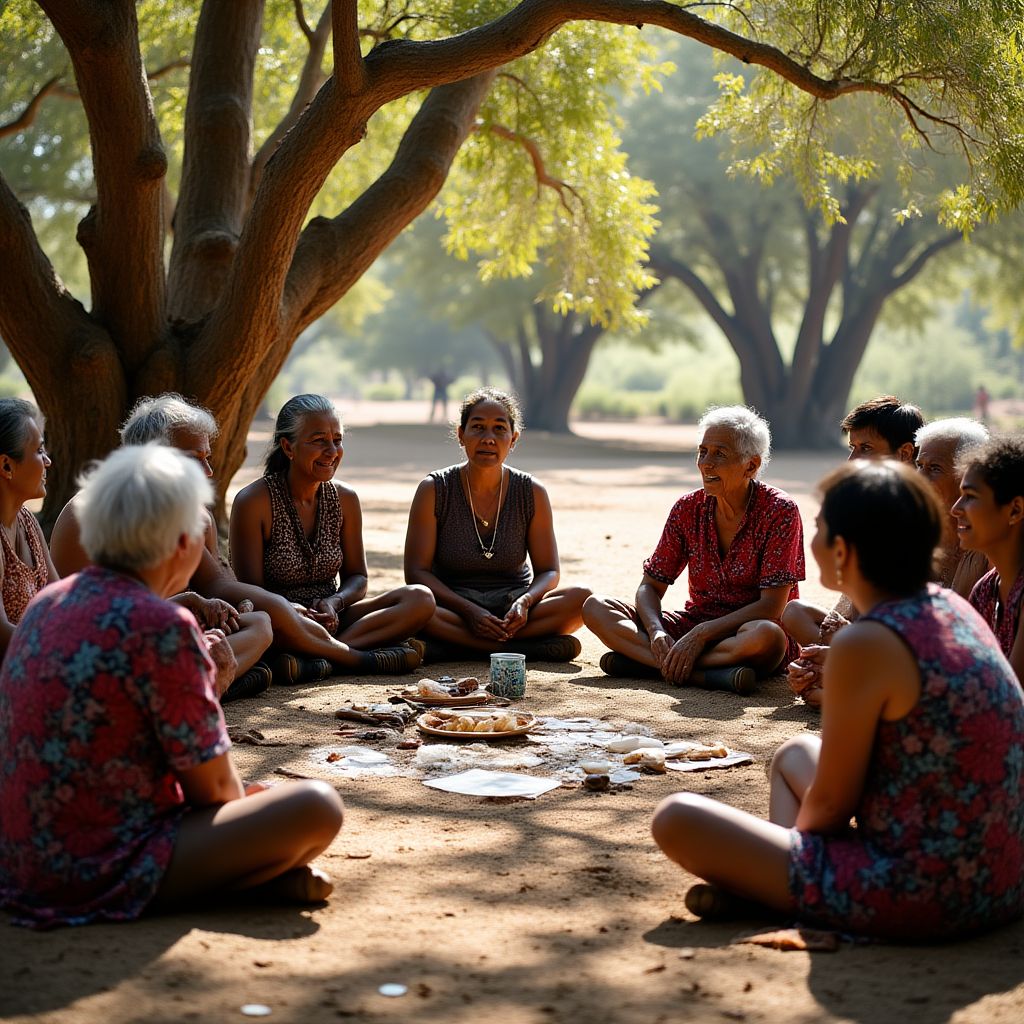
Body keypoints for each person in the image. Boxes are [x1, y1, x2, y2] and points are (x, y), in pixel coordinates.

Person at [652, 461, 1024, 940]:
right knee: (792, 755)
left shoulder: (865, 641)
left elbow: (830, 804)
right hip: (1001, 878)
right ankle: (777, 887)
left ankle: (785, 896)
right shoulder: (954, 606)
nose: (814, 540)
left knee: (677, 818)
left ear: (843, 551)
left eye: (821, 528)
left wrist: (791, 857)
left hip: (931, 895)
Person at [0, 444, 344, 928]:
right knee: (314, 806)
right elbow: (216, 794)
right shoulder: (161, 627)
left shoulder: (47, 603)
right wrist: (213, 684)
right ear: (183, 543)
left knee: (260, 794)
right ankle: (241, 880)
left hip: (20, 858)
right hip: (91, 868)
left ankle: (252, 875)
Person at [49, 395, 271, 701]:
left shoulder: (154, 509)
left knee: (258, 625)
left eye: (208, 458)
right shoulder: (103, 512)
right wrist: (187, 603)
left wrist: (199, 606)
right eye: (195, 458)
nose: (207, 471)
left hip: (128, 637)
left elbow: (138, 605)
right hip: (103, 659)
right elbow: (115, 622)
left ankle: (217, 677)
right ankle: (212, 683)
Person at [584, 405, 803, 693]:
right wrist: (657, 631)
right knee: (596, 607)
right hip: (694, 626)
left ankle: (645, 664)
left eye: (720, 454)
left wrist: (702, 635)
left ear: (751, 465)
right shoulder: (688, 508)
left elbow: (772, 606)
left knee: (768, 636)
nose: (705, 463)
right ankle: (703, 675)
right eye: (703, 451)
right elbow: (649, 586)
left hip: (746, 633)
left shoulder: (779, 510)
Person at [788, 416, 991, 707]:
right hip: (910, 664)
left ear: (968, 478)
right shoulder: (912, 531)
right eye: (920, 467)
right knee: (800, 614)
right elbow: (859, 618)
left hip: (942, 678)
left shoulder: (982, 548)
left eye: (934, 469)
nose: (921, 478)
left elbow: (949, 648)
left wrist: (847, 656)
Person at [231, 394, 433, 673]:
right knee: (264, 621)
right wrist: (293, 611)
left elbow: (358, 578)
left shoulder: (345, 498)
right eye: (318, 441)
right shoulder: (254, 502)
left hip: (332, 617)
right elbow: (250, 594)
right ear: (288, 447)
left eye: (337, 440)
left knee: (420, 598)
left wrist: (334, 602)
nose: (332, 451)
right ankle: (348, 656)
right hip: (279, 622)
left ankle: (321, 659)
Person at [404, 387, 588, 662]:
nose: (488, 438)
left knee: (582, 600)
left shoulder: (530, 491)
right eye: (477, 427)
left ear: (513, 439)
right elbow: (416, 573)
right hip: (453, 606)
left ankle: (454, 648)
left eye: (499, 429)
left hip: (514, 607)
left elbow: (549, 571)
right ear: (461, 435)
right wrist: (469, 611)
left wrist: (524, 602)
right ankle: (525, 650)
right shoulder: (434, 489)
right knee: (414, 604)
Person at [782, 395, 925, 703]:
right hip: (865, 633)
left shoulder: (917, 516)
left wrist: (843, 643)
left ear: (904, 454)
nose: (852, 461)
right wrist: (830, 642)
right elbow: (850, 605)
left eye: (866, 449)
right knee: (794, 612)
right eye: (852, 448)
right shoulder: (873, 507)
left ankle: (840, 684)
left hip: (902, 644)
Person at [954, 435, 1024, 682]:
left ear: (1015, 510)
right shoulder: (986, 590)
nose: (956, 508)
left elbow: (1011, 697)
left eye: (970, 496)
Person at [0, 399, 58, 659]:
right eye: (39, 450)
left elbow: (61, 598)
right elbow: (2, 636)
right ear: (6, 466)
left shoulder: (26, 520)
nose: (47, 462)